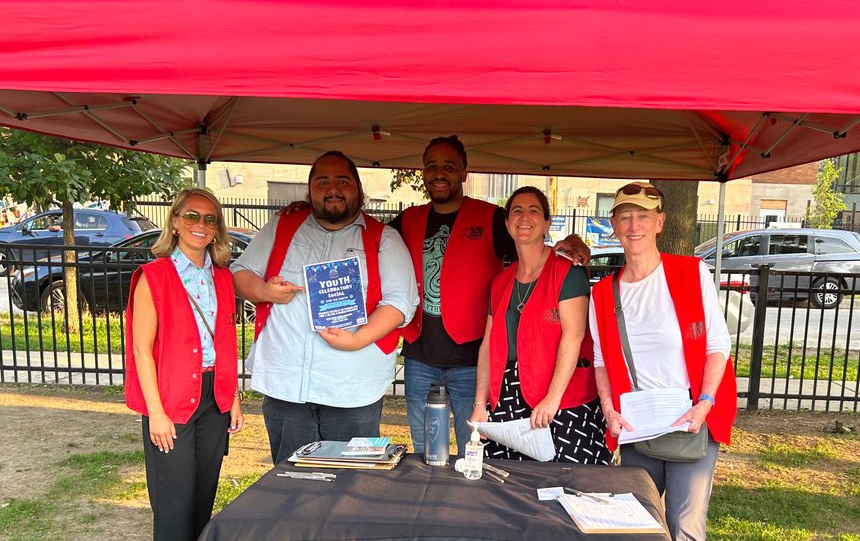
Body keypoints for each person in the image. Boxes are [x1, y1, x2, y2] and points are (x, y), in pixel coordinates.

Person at [391, 136, 589, 456]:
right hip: (419, 355)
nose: (439, 173)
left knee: (472, 450)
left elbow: (531, 241)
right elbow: (368, 240)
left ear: (464, 172)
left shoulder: (492, 217)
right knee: (424, 451)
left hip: (471, 360)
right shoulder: (407, 219)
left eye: (449, 166)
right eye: (431, 166)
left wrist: (573, 240)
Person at [588, 182, 737, 541]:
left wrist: (704, 402)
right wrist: (608, 409)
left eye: (642, 216)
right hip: (639, 426)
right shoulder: (602, 294)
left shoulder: (691, 273)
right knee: (640, 523)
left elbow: (717, 344)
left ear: (659, 222)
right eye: (624, 216)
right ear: (614, 226)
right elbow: (601, 359)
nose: (633, 225)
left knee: (685, 528)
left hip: (691, 420)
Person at [233, 151, 418, 464]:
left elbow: (400, 303)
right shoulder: (283, 226)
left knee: (350, 485)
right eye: (322, 181)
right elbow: (240, 272)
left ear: (359, 189)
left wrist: (356, 340)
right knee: (289, 481)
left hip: (353, 389)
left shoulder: (383, 238)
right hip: (287, 385)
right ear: (309, 191)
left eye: (342, 181)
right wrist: (265, 291)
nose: (333, 188)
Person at [124, 187, 244, 541]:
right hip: (171, 396)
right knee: (173, 486)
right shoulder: (154, 276)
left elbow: (227, 338)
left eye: (210, 219)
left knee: (203, 483)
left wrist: (233, 398)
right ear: (174, 221)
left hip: (214, 395)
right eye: (191, 216)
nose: (200, 225)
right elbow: (141, 348)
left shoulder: (223, 277)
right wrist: (155, 411)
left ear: (217, 230)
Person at [471, 187, 608, 464]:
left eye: (534, 210)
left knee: (569, 487)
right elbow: (488, 346)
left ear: (547, 222)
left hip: (562, 396)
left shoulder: (568, 271)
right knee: (510, 487)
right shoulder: (500, 282)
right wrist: (479, 404)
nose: (525, 217)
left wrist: (552, 398)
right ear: (508, 223)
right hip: (509, 396)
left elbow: (574, 335)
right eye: (517, 211)